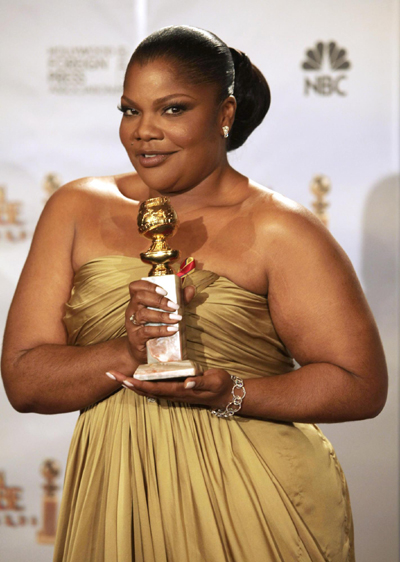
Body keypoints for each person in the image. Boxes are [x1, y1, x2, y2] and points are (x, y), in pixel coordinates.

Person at [1, 25, 387, 562]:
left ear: (225, 113)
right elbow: (24, 381)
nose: (144, 132)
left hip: (253, 497)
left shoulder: (281, 229)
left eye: (173, 109)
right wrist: (127, 351)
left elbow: (360, 384)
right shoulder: (76, 208)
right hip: (118, 496)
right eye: (130, 110)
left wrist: (234, 392)